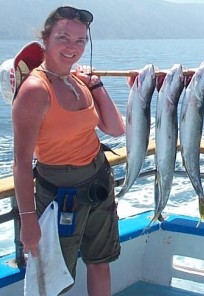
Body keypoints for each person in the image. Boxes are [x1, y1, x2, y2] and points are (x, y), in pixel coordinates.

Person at [10, 6, 125, 296]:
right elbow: (21, 164)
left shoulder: (78, 81)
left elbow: (115, 128)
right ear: (45, 40)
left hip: (98, 182)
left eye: (80, 41)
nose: (72, 47)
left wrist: (96, 86)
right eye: (63, 37)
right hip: (59, 197)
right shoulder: (35, 91)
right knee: (56, 278)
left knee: (100, 263)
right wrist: (28, 222)